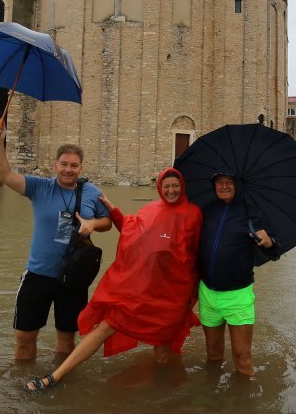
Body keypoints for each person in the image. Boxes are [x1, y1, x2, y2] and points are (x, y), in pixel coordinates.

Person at [26, 167, 202, 393]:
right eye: (166, 186)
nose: (170, 190)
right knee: (106, 326)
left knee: (162, 354)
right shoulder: (151, 209)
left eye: (175, 186)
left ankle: (168, 393)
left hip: (172, 294)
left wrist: (193, 293)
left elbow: (197, 255)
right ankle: (55, 376)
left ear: (182, 187)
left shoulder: (193, 214)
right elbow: (133, 230)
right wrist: (113, 211)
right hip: (144, 289)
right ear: (159, 187)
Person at [0, 123, 111, 360]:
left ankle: (57, 385)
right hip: (38, 274)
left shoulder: (91, 192)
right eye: (64, 164)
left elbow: (107, 220)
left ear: (81, 167)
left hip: (74, 278)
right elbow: (3, 175)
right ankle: (23, 389)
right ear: (56, 165)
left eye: (74, 165)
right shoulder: (39, 187)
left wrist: (93, 225)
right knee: (24, 339)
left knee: (67, 341)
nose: (68, 170)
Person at [197, 169, 282, 376]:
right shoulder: (207, 210)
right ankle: (214, 399)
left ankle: (243, 400)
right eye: (219, 182)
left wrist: (270, 243)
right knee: (213, 354)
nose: (224, 186)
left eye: (229, 182)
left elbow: (275, 251)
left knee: (242, 358)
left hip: (238, 295)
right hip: (208, 292)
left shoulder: (251, 212)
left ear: (237, 186)